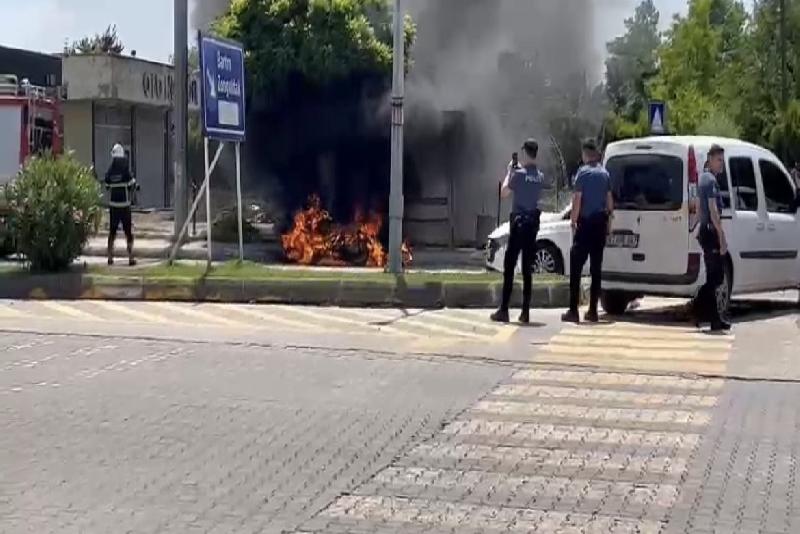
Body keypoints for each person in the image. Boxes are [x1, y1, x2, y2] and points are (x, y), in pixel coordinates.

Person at [490, 138, 544, 324]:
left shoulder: (518, 173)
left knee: (509, 266)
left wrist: (509, 172)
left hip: (519, 223)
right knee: (528, 269)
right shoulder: (540, 176)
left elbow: (504, 193)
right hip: (532, 226)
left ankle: (504, 309)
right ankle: (525, 312)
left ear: (524, 153)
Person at [562, 138, 613, 324]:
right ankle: (593, 310)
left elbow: (577, 200)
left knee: (576, 268)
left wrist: (573, 221)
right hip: (600, 223)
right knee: (596, 269)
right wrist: (608, 224)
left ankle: (573, 310)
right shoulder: (605, 174)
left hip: (585, 224)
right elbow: (609, 203)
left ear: (586, 154)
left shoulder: (582, 173)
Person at [694, 144, 731, 332]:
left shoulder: (704, 179)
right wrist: (721, 236)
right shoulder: (710, 181)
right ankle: (698, 306)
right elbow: (713, 210)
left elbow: (698, 206)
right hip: (710, 232)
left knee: (714, 276)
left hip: (705, 230)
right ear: (709, 159)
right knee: (715, 276)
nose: (721, 164)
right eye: (718, 160)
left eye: (722, 161)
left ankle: (714, 318)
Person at [105, 144, 137, 266]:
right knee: (128, 232)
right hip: (124, 206)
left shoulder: (110, 172)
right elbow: (132, 185)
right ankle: (130, 257)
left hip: (113, 206)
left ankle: (110, 257)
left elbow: (107, 186)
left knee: (112, 232)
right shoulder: (125, 171)